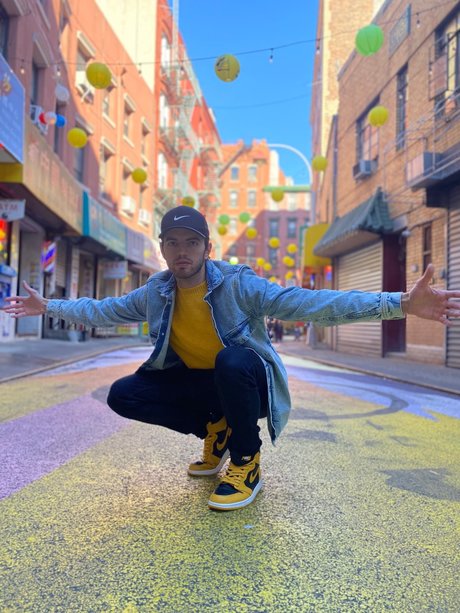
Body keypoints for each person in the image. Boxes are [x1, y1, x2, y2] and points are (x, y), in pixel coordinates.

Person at [3, 205, 460, 512]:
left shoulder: (238, 284)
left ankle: (246, 460)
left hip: (245, 383)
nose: (182, 251)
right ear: (162, 248)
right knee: (123, 394)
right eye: (172, 242)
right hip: (200, 386)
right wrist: (49, 307)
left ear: (207, 248)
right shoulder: (156, 291)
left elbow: (310, 302)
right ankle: (214, 429)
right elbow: (103, 310)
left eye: (191, 242)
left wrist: (400, 303)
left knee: (233, 361)